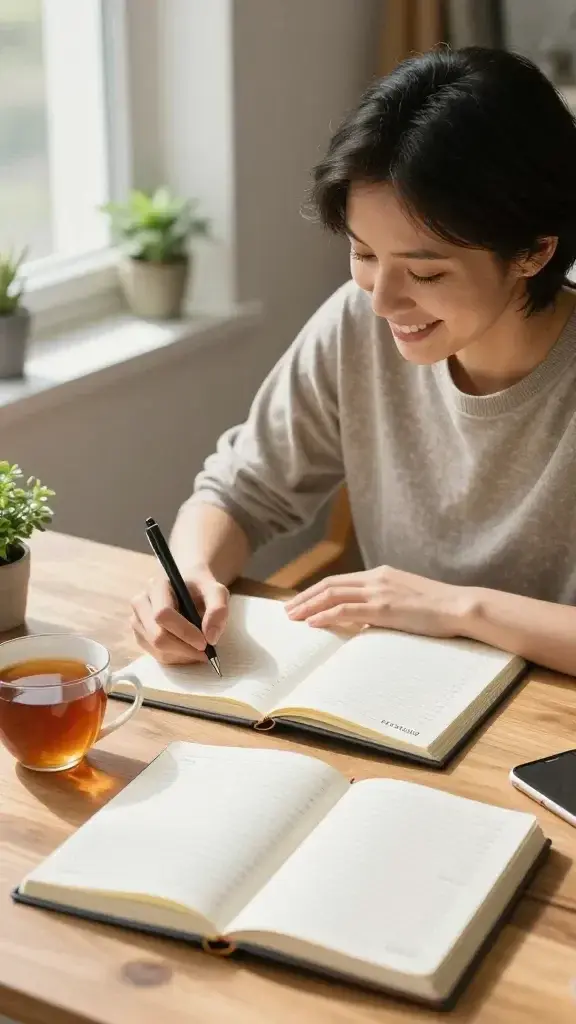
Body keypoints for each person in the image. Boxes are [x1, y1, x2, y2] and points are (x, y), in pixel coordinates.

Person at [131, 46, 576, 677]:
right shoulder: (355, 326)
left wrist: (457, 609)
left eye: (425, 271)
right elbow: (241, 490)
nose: (383, 299)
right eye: (365, 254)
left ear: (532, 253)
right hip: (393, 692)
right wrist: (190, 572)